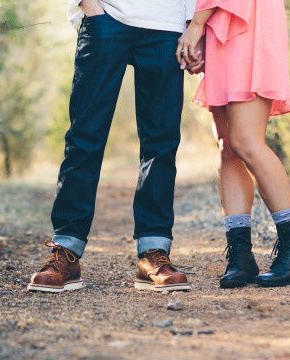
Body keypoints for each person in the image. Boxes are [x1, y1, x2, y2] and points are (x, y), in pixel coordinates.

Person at [27, 0, 198, 293]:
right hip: (105, 18)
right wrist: (89, 6)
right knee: (84, 137)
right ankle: (66, 251)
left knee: (161, 143)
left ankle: (153, 254)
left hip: (167, 25)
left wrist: (194, 24)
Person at [177, 0, 290, 288]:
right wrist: (198, 29)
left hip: (246, 19)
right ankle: (240, 256)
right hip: (218, 19)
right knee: (228, 146)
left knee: (247, 141)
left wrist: (197, 25)